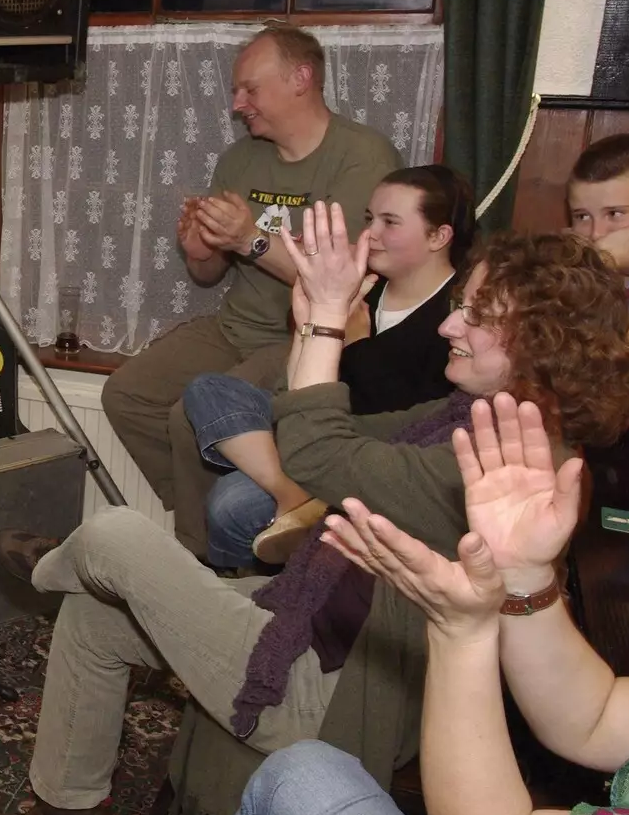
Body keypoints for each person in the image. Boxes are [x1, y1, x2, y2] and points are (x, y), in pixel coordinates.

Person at [0, 220, 629, 815]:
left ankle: (49, 568)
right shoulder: (475, 417)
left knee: (116, 536)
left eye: (474, 314)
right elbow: (338, 430)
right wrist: (311, 325)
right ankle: (69, 809)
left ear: (540, 342)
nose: (447, 326)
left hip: (326, 689)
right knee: (96, 610)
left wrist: (328, 321)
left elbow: (319, 451)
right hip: (312, 620)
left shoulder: (501, 466)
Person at [196, 389, 629, 815]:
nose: (453, 323)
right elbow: (594, 717)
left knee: (298, 779)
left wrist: (461, 633)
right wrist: (524, 575)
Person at [102, 22, 404, 558]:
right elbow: (210, 275)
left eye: (250, 89)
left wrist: (247, 237)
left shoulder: (362, 155)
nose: (240, 104)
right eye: (237, 91)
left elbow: (340, 284)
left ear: (301, 79)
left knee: (187, 417)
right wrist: (202, 250)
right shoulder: (241, 160)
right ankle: (223, 528)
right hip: (233, 325)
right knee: (128, 396)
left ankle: (201, 560)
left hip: (305, 338)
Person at [182, 164, 472, 569]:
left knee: (229, 502)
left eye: (391, 222)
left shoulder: (455, 317)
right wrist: (311, 328)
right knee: (208, 389)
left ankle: (245, 595)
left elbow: (404, 423)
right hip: (311, 423)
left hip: (362, 450)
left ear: (439, 236)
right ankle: (292, 495)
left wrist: (351, 342)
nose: (370, 234)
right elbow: (293, 390)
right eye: (370, 219)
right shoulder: (363, 284)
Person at [569, 132, 629, 330]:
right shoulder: (566, 269)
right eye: (582, 216)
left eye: (614, 213)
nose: (596, 233)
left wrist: (597, 262)